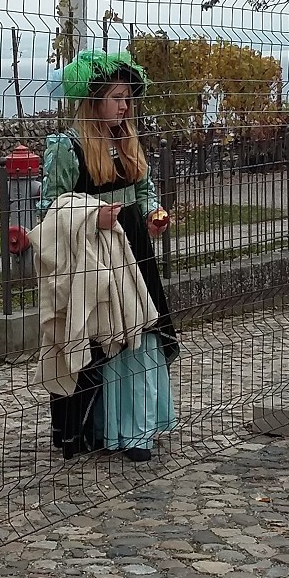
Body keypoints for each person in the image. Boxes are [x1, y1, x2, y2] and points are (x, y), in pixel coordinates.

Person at [33, 50, 179, 463]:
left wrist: (153, 212)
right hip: (93, 254)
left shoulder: (127, 142)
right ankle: (99, 428)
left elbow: (145, 189)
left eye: (128, 97)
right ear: (94, 100)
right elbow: (51, 208)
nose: (125, 105)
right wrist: (90, 216)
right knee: (103, 336)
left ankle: (138, 427)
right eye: (116, 97)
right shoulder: (68, 147)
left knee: (141, 332)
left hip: (134, 245)